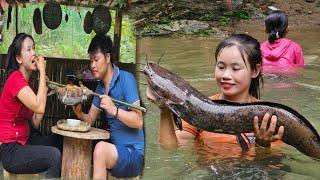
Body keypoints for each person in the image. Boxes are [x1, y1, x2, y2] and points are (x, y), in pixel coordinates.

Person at [158, 34, 285, 157]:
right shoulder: (201, 108)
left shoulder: (266, 117)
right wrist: (164, 110)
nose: (226, 75)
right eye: (221, 67)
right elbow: (170, 149)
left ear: (255, 71)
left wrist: (263, 145)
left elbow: (273, 160)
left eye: (235, 69)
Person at [73, 34, 144, 179]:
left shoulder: (126, 79)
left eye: (96, 59)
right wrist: (80, 114)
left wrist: (114, 110)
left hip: (134, 154)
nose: (92, 65)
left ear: (108, 57)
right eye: (91, 60)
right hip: (117, 153)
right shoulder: (100, 88)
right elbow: (90, 120)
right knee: (94, 149)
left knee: (100, 149)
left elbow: (138, 121)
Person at [0, 33, 61, 178]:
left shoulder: (24, 84)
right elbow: (39, 107)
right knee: (54, 156)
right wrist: (42, 71)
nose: (34, 53)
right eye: (28, 49)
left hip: (24, 141)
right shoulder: (15, 79)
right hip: (11, 150)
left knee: (60, 142)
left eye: (34, 48)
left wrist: (44, 88)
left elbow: (35, 122)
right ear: (19, 58)